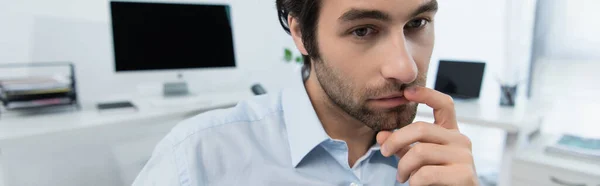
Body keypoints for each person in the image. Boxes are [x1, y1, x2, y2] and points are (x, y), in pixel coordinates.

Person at [132, 0, 478, 185]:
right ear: (301, 34)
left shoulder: (441, 166)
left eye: (417, 24)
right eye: (363, 31)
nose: (406, 69)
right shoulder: (198, 158)